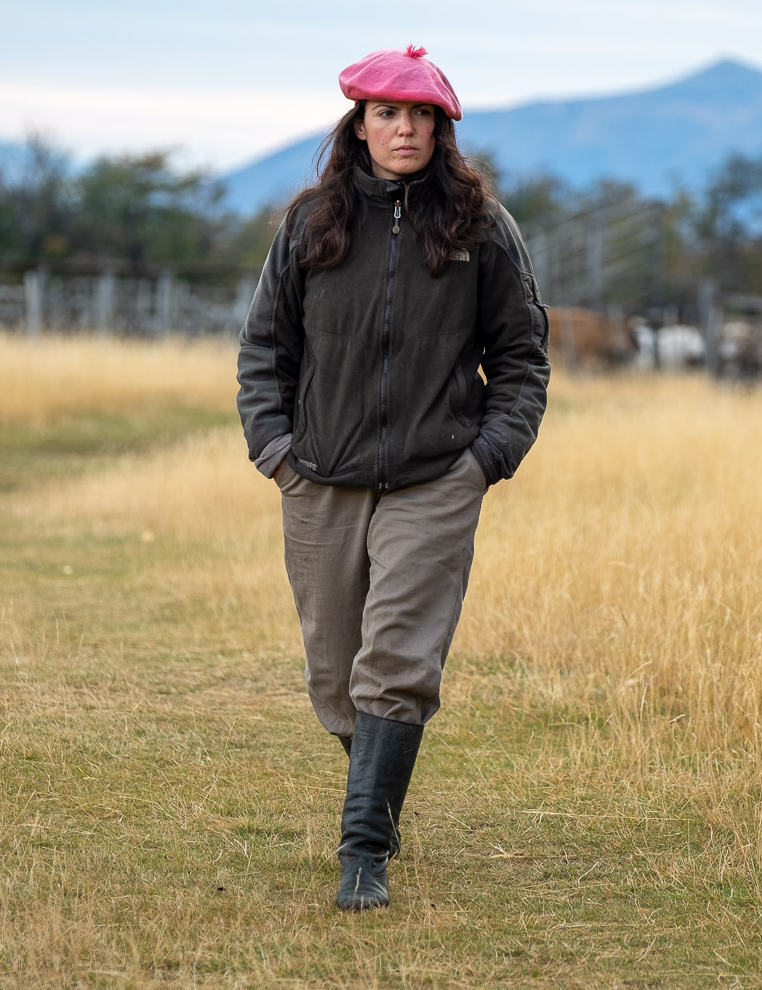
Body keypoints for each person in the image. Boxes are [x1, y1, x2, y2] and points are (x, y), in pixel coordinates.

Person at [235, 45, 551, 911]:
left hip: (433, 477)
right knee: (336, 677)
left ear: (442, 128)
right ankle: (378, 792)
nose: (402, 128)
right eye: (385, 113)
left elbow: (522, 357)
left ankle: (362, 852)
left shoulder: (482, 227)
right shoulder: (310, 222)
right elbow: (265, 348)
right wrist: (277, 451)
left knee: (396, 664)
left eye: (419, 116)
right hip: (321, 477)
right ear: (359, 124)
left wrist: (483, 461)